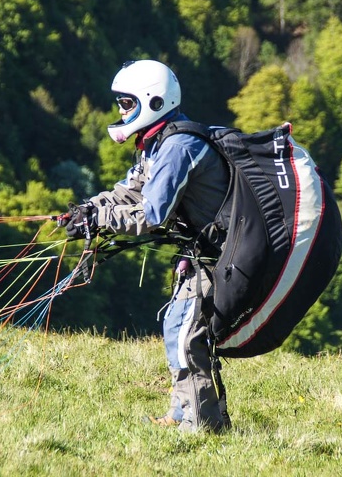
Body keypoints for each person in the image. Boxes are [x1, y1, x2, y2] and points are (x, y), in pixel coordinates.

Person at [58, 59, 231, 433]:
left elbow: (153, 214)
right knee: (176, 325)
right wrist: (90, 209)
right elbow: (129, 192)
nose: (120, 111)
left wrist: (100, 221)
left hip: (220, 257)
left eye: (126, 103)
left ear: (152, 101)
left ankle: (203, 427)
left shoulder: (178, 148)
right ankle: (182, 412)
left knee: (187, 337)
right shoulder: (155, 145)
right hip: (198, 254)